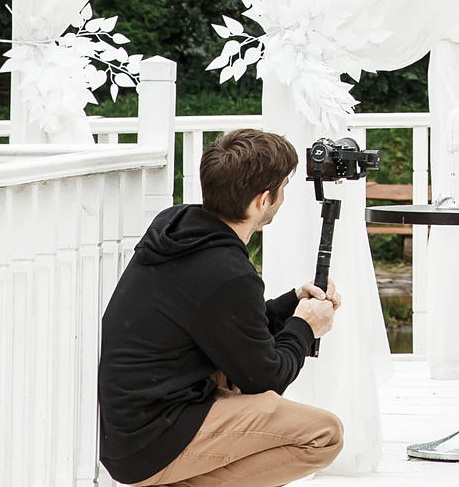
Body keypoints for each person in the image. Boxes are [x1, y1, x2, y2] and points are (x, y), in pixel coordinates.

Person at [96, 128, 346, 487]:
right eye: (284, 188)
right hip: (151, 443)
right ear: (263, 200)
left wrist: (294, 303)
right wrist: (305, 327)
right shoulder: (226, 271)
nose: (283, 197)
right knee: (325, 434)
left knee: (239, 382)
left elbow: (228, 325)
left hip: (133, 428)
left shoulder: (178, 227)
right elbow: (267, 377)